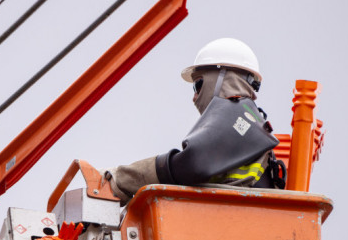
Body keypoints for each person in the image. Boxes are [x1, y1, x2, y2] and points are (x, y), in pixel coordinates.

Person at [104, 37, 284, 205]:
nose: (194, 97)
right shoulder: (248, 121)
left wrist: (120, 181)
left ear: (222, 78)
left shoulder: (237, 113)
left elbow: (192, 162)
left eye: (198, 85)